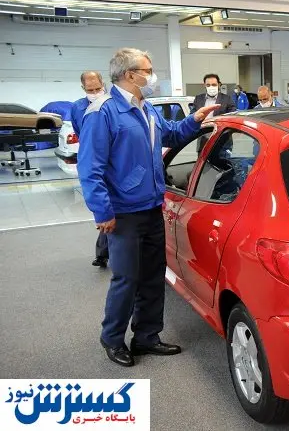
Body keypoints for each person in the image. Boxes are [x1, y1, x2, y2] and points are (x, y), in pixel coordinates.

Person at [78, 48, 220, 367]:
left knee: (153, 276)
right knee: (127, 279)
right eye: (148, 70)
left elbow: (171, 134)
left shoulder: (146, 108)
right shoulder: (103, 112)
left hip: (152, 206)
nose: (152, 76)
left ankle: (146, 336)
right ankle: (112, 338)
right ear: (130, 75)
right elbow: (90, 169)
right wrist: (103, 212)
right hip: (123, 213)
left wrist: (194, 120)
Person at [71, 71, 109, 269]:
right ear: (83, 88)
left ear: (104, 84)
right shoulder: (77, 107)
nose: (95, 93)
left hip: (111, 163)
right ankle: (103, 254)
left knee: (111, 210)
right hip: (94, 159)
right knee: (105, 209)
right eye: (90, 90)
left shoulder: (111, 104)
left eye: (97, 89)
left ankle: (104, 253)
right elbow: (81, 132)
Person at [193, 73, 236, 151]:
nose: (211, 87)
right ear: (204, 85)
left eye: (214, 84)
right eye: (208, 85)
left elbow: (233, 118)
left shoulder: (227, 99)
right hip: (203, 140)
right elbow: (192, 116)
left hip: (222, 142)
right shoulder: (198, 99)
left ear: (219, 85)